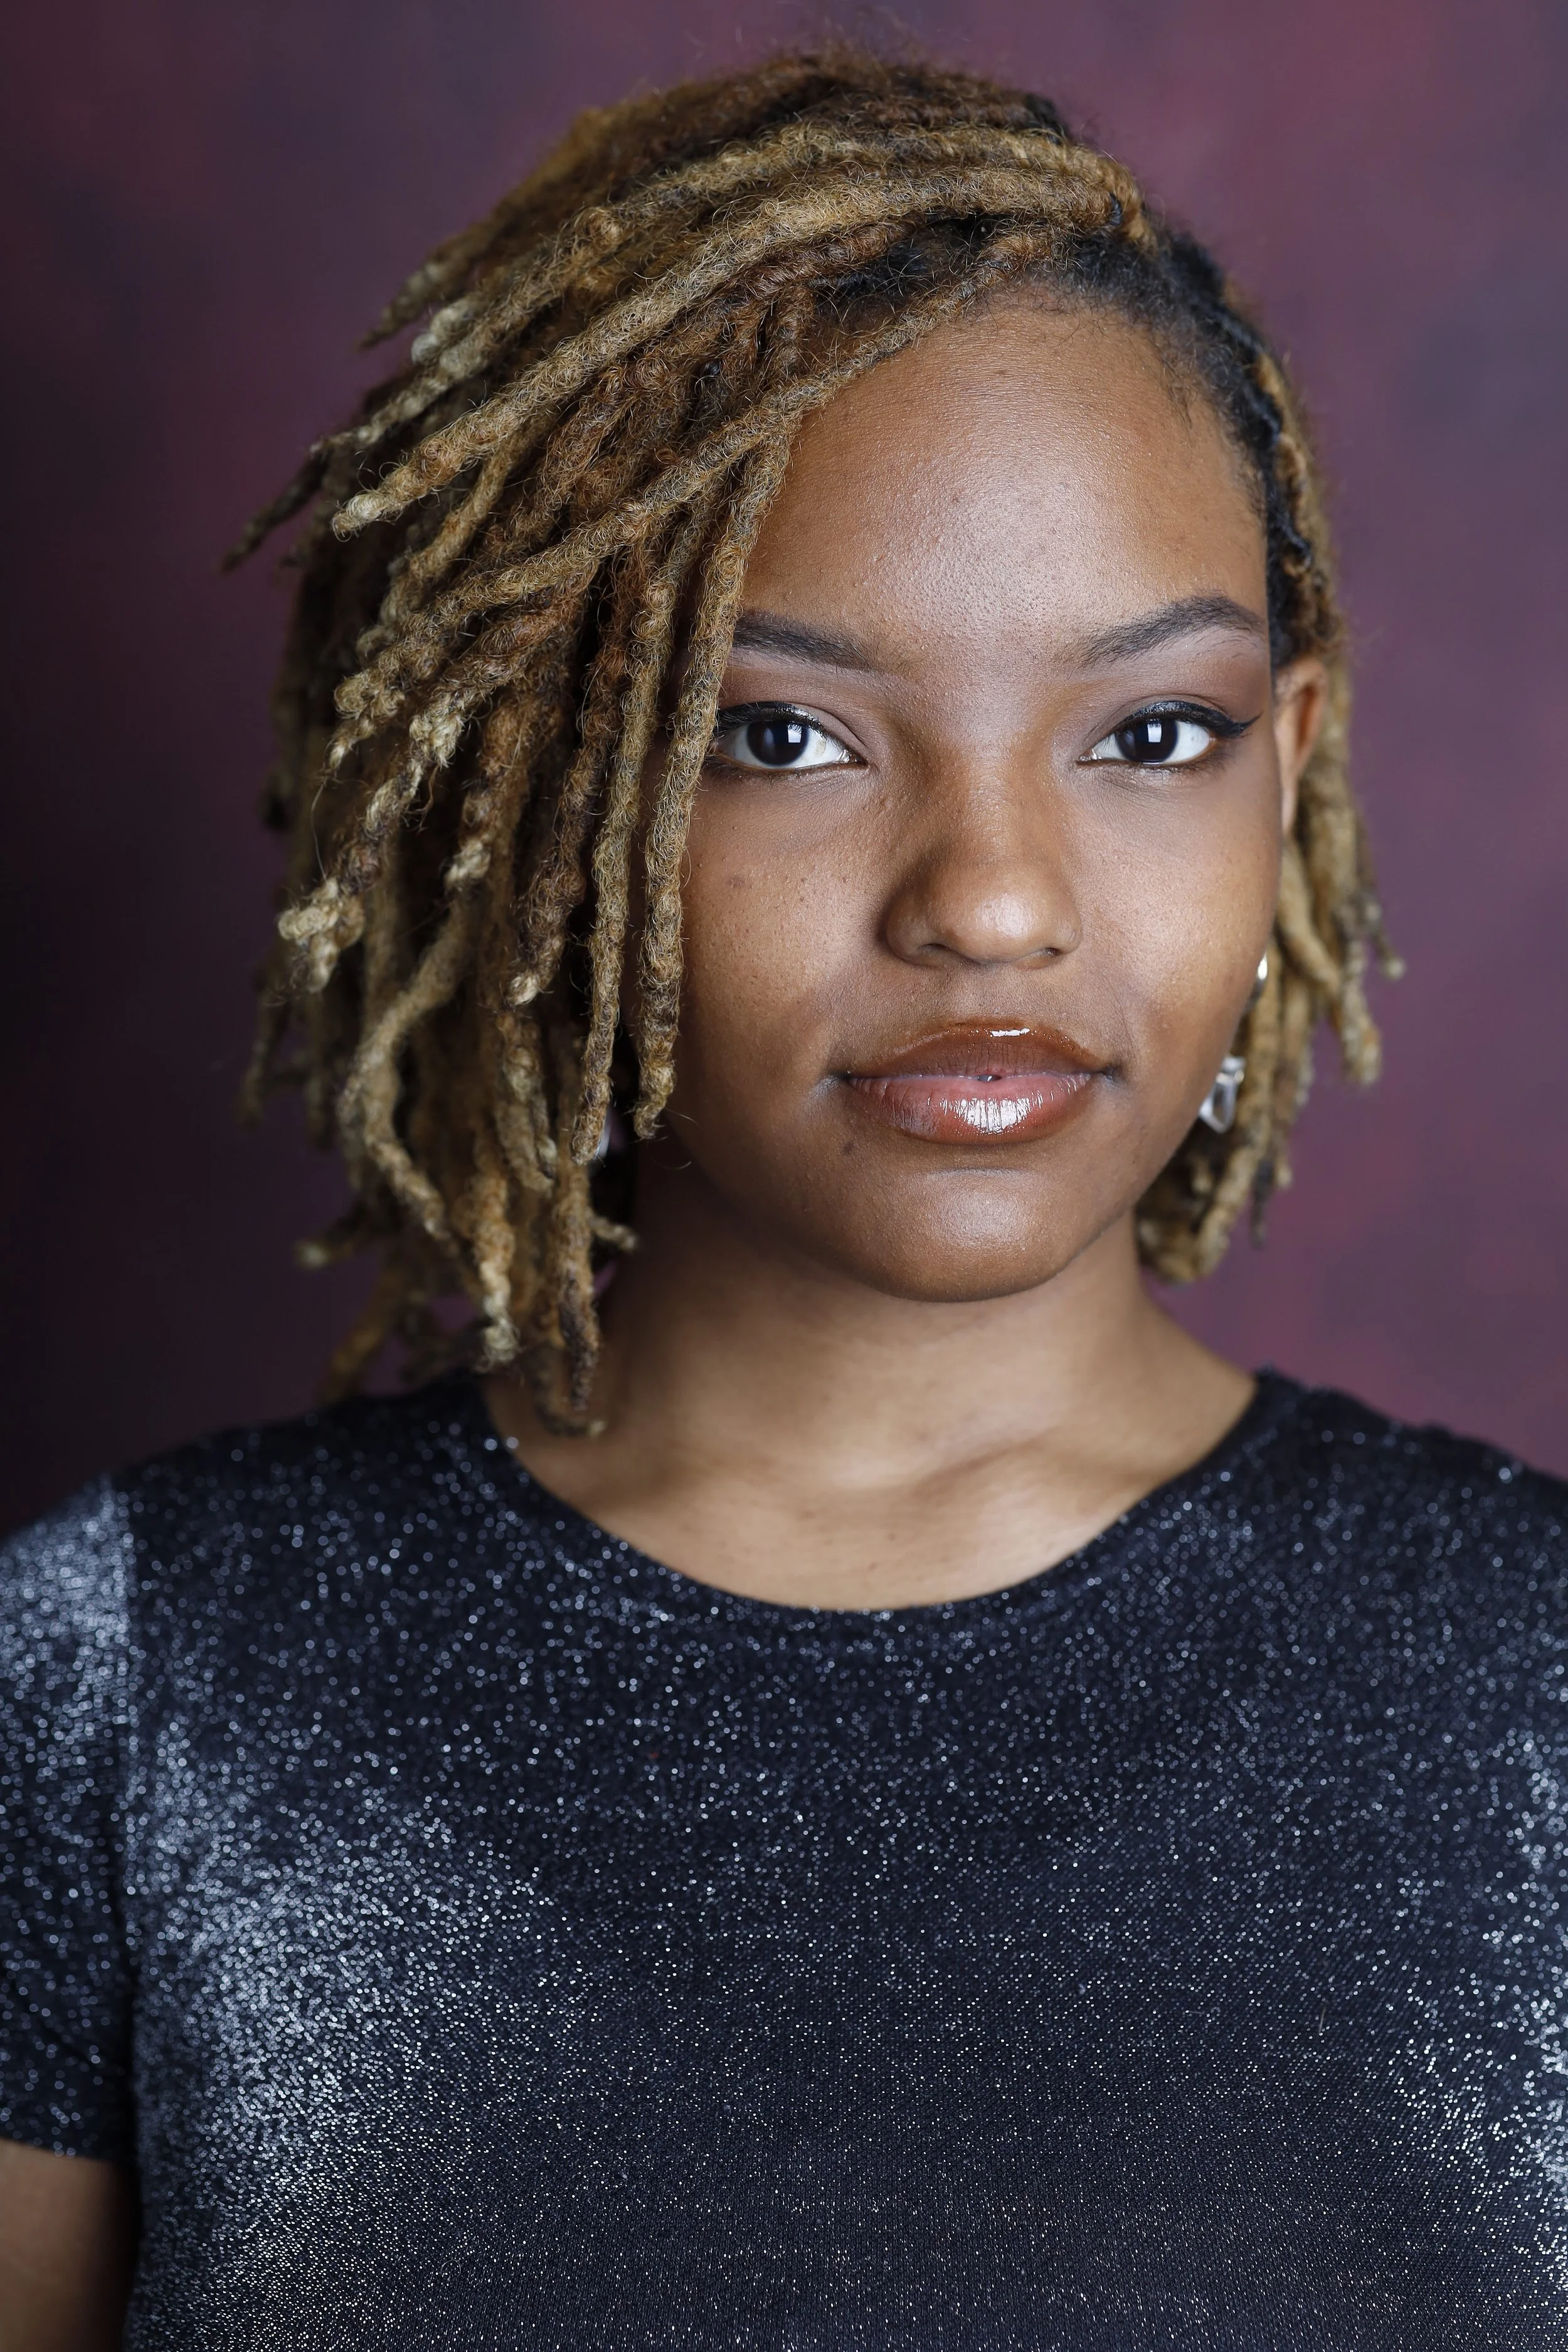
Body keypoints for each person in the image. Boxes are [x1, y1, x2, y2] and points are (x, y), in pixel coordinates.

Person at [2, 45, 1564, 2352]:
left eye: (1150, 735)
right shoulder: (124, 1694)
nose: (995, 901)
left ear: (1289, 766)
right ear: (547, 781)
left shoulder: (1534, 1692)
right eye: (783, 734)